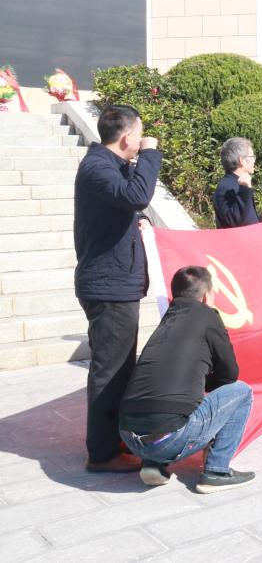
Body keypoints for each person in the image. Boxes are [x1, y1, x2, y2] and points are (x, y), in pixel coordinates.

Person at [74, 104, 162, 472]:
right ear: (127, 137)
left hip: (117, 282)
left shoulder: (109, 166)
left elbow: (126, 204)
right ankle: (102, 453)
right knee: (110, 370)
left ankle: (116, 440)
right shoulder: (97, 167)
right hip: (107, 285)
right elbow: (136, 196)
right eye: (140, 135)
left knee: (121, 367)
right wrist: (151, 155)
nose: (143, 141)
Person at [119, 266, 255, 493]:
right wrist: (205, 385)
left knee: (165, 399)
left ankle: (153, 463)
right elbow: (230, 374)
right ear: (207, 296)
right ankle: (216, 471)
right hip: (169, 437)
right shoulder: (208, 316)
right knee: (241, 392)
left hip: (129, 436)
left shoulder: (167, 320)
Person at [213, 137, 262, 229]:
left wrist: (261, 218)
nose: (254, 161)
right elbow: (232, 222)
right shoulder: (226, 187)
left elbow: (244, 217)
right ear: (242, 161)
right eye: (252, 157)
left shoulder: (237, 183)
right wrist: (244, 190)